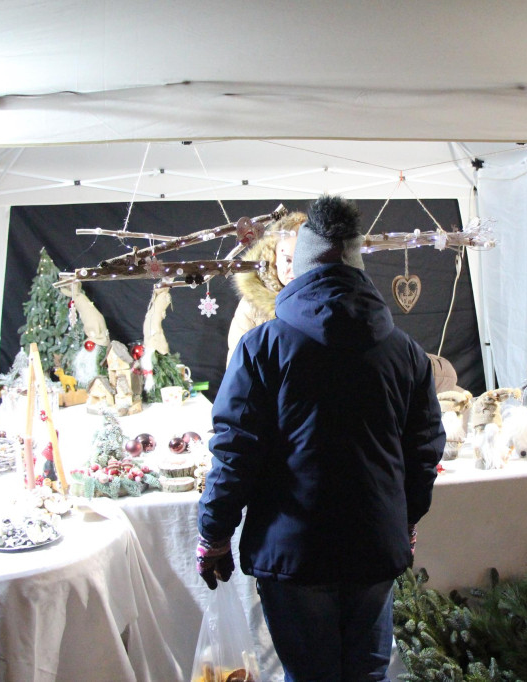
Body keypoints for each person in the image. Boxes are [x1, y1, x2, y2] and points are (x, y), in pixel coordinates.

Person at [197, 195, 445, 681]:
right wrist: (407, 519)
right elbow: (424, 453)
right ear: (357, 265)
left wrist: (214, 534)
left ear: (300, 268)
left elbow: (235, 455)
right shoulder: (405, 353)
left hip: (293, 553)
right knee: (367, 674)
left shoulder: (262, 348)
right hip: (374, 546)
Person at [225, 211, 303, 365]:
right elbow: (237, 367)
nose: (294, 268)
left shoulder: (327, 301)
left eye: (301, 259)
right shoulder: (252, 305)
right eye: (287, 260)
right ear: (273, 258)